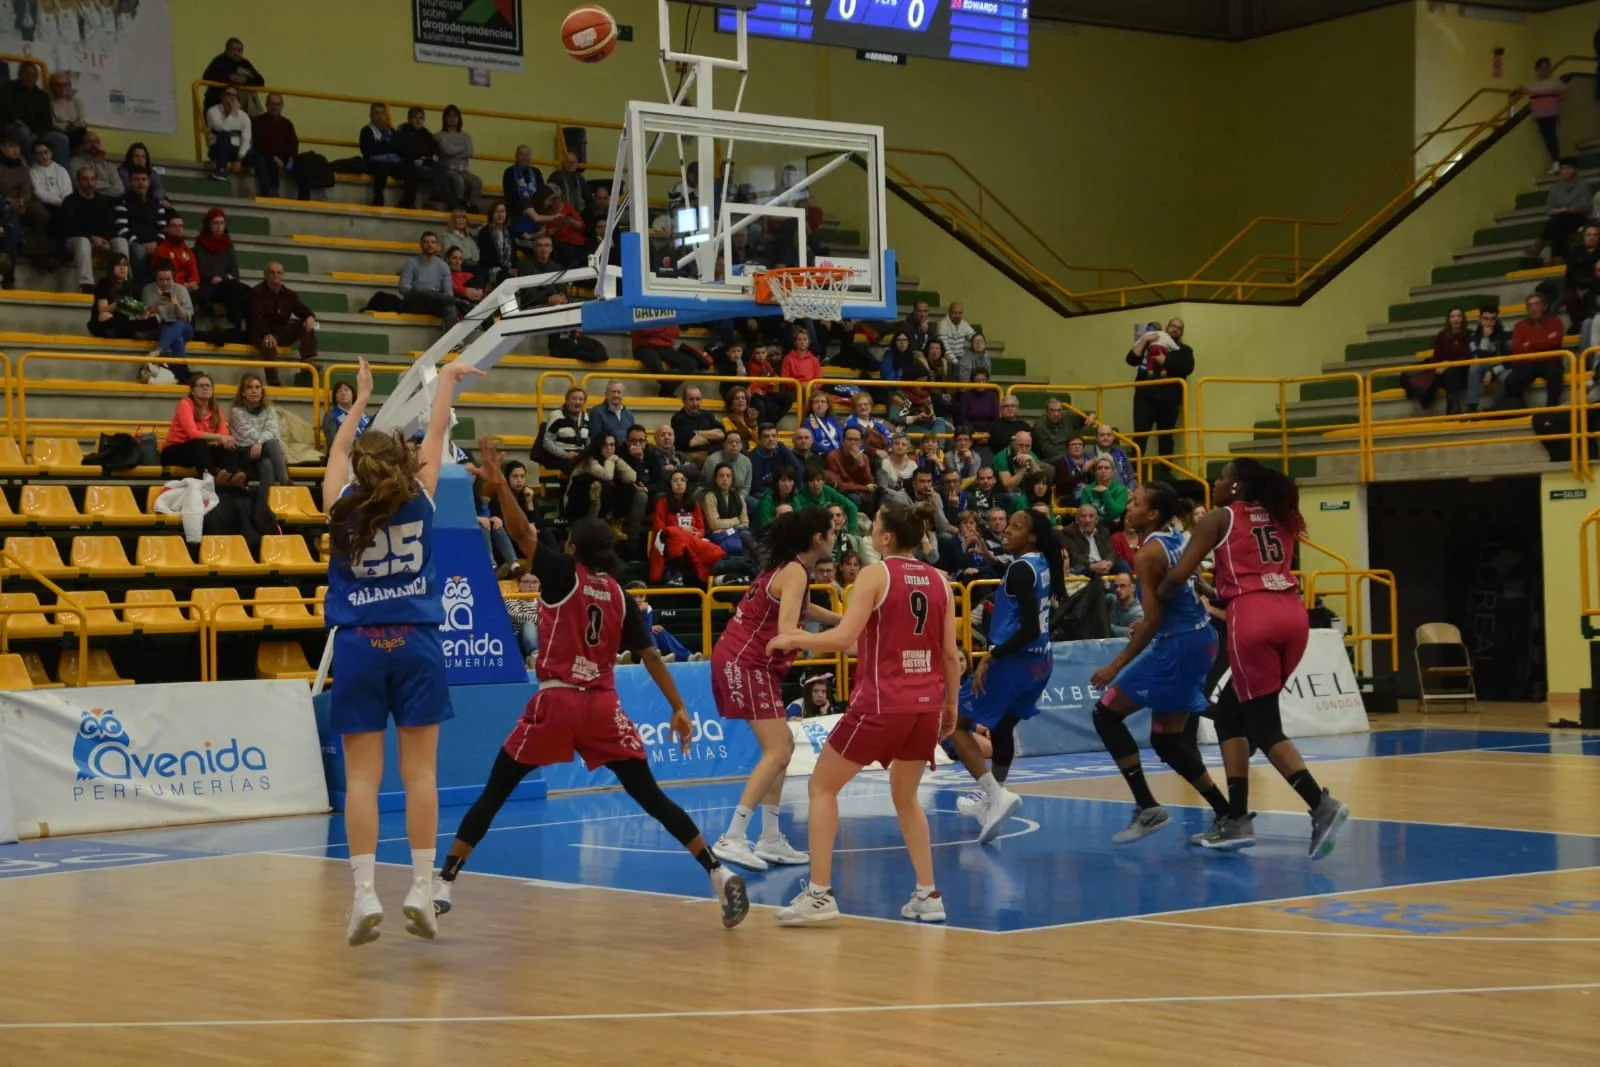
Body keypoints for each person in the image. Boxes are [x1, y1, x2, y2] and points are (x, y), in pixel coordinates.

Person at [435, 439, 750, 929]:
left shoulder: (564, 573)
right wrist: (679, 707)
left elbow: (518, 532)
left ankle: (444, 883)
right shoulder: (622, 595)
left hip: (558, 701)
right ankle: (716, 870)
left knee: (495, 791)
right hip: (604, 706)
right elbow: (648, 655)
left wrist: (499, 487)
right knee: (652, 797)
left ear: (575, 548)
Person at [323, 357, 483, 946]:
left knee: (362, 782)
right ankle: (420, 885)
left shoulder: (339, 500)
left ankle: (365, 894)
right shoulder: (421, 494)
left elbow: (339, 449)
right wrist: (445, 381)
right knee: (421, 776)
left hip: (360, 646)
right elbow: (437, 431)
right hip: (415, 642)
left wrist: (360, 400)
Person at [767, 501, 960, 925]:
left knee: (821, 788)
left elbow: (843, 638)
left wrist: (793, 637)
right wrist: (951, 705)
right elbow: (950, 653)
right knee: (906, 797)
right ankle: (928, 894)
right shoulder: (940, 581)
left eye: (874, 524)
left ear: (886, 537)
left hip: (881, 703)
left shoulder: (876, 574)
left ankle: (820, 894)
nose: (869, 528)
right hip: (925, 705)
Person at [1160, 458, 1350, 856]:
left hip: (1253, 619)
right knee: (1231, 715)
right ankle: (1237, 818)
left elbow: (1177, 576)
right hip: (1291, 615)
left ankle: (1321, 805)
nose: (1216, 482)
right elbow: (1254, 573)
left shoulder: (1219, 517)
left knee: (1264, 726)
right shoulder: (1281, 515)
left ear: (1236, 487)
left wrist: (1157, 595)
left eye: (1223, 477)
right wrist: (1212, 591)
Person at [1088, 483, 1231, 843]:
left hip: (1179, 646)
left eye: (1135, 503)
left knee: (1105, 714)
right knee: (1166, 741)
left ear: (1152, 514)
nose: (1128, 506)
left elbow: (1151, 620)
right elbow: (1189, 584)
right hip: (1197, 638)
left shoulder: (1148, 553)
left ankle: (1148, 807)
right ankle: (1227, 813)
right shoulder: (1173, 538)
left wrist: (1115, 666)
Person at [710, 507, 842, 871]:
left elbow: (803, 608)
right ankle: (733, 836)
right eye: (831, 531)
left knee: (781, 745)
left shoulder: (791, 568)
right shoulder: (796, 571)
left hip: (747, 660)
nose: (834, 536)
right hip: (746, 661)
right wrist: (842, 640)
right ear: (817, 538)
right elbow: (788, 628)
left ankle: (769, 837)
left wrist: (844, 620)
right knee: (778, 749)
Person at [948, 510, 1062, 843]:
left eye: (1015, 526)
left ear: (1032, 537)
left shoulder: (1021, 569)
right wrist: (989, 555)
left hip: (1015, 661)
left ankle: (995, 796)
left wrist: (990, 658)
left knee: (954, 723)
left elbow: (1026, 628)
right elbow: (1016, 586)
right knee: (1003, 726)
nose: (1007, 531)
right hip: (1041, 663)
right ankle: (991, 799)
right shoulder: (1039, 563)